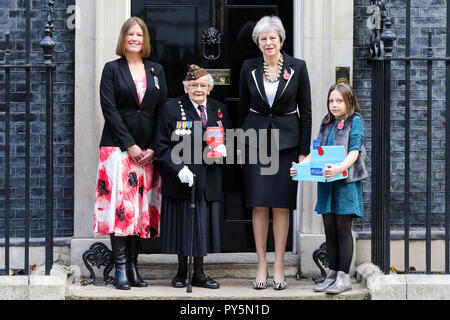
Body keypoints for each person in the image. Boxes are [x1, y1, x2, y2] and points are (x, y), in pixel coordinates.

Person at [93, 17, 168, 290]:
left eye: (139, 34)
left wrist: (153, 147)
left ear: (145, 39)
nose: (135, 38)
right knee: (120, 210)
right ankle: (121, 268)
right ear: (123, 38)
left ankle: (135, 266)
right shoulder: (112, 69)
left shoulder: (156, 70)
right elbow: (109, 110)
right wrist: (131, 145)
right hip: (118, 149)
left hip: (148, 153)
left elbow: (163, 112)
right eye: (130, 34)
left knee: (139, 211)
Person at [238, 15, 312, 290]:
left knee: (281, 204)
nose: (268, 42)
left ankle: (279, 265)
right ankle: (261, 265)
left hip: (287, 144)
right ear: (257, 43)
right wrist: (239, 147)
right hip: (255, 141)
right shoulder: (249, 68)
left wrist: (304, 152)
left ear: (281, 40)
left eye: (273, 37)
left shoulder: (298, 67)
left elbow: (306, 111)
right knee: (259, 203)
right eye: (263, 38)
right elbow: (241, 109)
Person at [155, 65, 231, 289]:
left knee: (202, 228)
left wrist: (226, 149)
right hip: (182, 178)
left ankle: (199, 273)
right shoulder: (172, 108)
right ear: (186, 88)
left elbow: (228, 136)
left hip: (209, 179)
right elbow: (161, 145)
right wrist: (178, 169)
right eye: (194, 85)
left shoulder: (219, 110)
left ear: (209, 88)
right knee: (183, 225)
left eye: (203, 85)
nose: (198, 89)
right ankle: (181, 272)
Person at [290, 83, 368, 294]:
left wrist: (339, 169)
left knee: (343, 230)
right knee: (330, 230)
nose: (334, 105)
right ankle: (332, 274)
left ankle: (344, 277)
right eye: (331, 101)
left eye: (339, 101)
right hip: (326, 184)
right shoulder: (327, 123)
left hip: (345, 183)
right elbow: (317, 154)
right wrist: (300, 167)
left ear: (349, 102)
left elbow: (355, 151)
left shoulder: (356, 121)